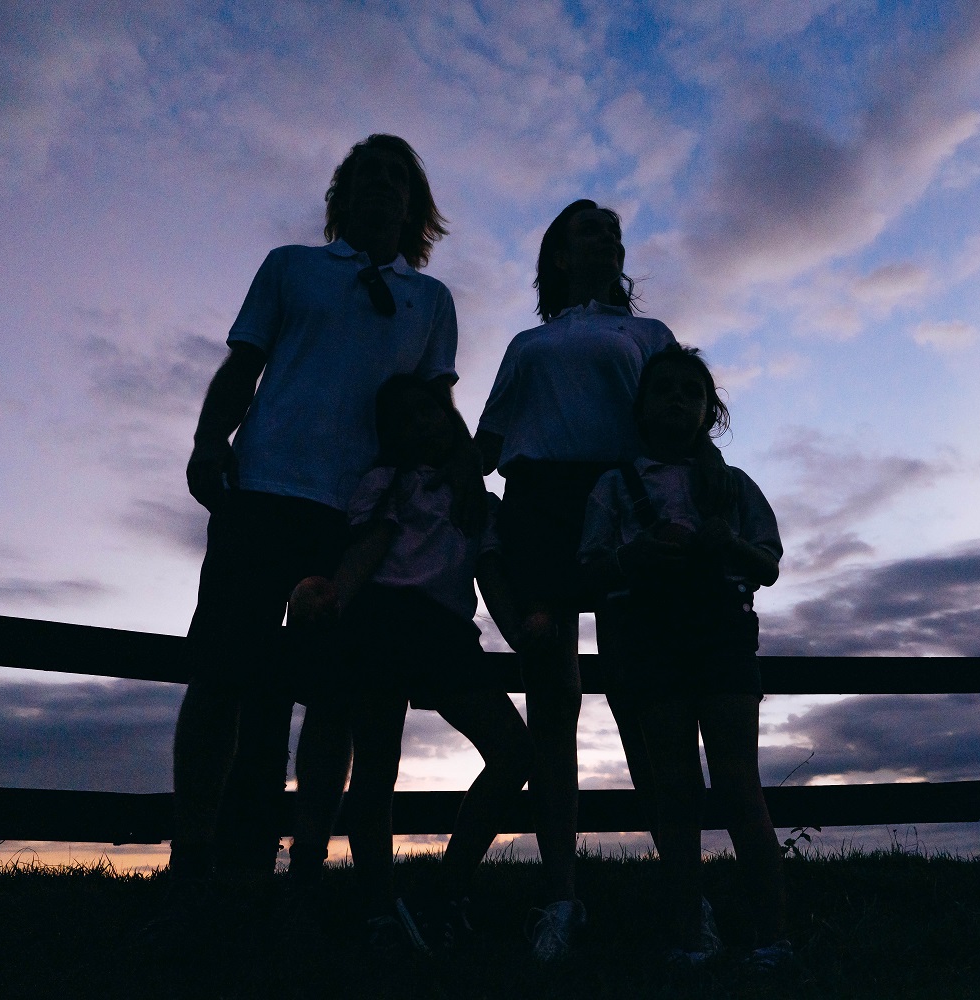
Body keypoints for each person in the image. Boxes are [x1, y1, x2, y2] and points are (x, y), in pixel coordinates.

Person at [171, 134, 463, 884]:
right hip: (261, 494)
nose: (381, 186)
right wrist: (210, 440)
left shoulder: (430, 301)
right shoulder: (290, 266)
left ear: (415, 204)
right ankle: (197, 858)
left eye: (397, 176)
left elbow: (435, 408)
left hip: (358, 523)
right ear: (341, 193)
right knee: (221, 676)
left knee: (332, 697)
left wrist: (464, 487)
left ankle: (301, 863)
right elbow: (245, 362)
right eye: (366, 174)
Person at [475, 199, 679, 960]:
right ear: (558, 252)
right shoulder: (529, 342)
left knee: (641, 699)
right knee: (552, 703)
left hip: (623, 503)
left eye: (614, 230)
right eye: (588, 227)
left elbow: (677, 419)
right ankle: (560, 899)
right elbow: (488, 441)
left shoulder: (649, 335)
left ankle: (685, 893)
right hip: (541, 508)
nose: (606, 235)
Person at [290, 374, 531, 953]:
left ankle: (447, 887)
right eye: (403, 417)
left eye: (429, 411)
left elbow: (491, 575)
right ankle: (377, 904)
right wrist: (336, 598)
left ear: (450, 419)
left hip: (445, 633)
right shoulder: (384, 482)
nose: (419, 423)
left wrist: (524, 637)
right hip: (380, 623)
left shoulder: (478, 500)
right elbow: (369, 546)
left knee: (512, 751)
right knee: (377, 766)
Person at [578, 344, 790, 969]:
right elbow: (589, 569)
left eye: (690, 393)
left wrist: (728, 545)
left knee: (738, 783)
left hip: (722, 636)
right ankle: (689, 937)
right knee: (673, 788)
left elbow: (770, 564)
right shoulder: (614, 488)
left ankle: (773, 936)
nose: (676, 400)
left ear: (709, 412)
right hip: (650, 643)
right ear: (640, 408)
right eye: (663, 389)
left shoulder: (734, 486)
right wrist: (632, 558)